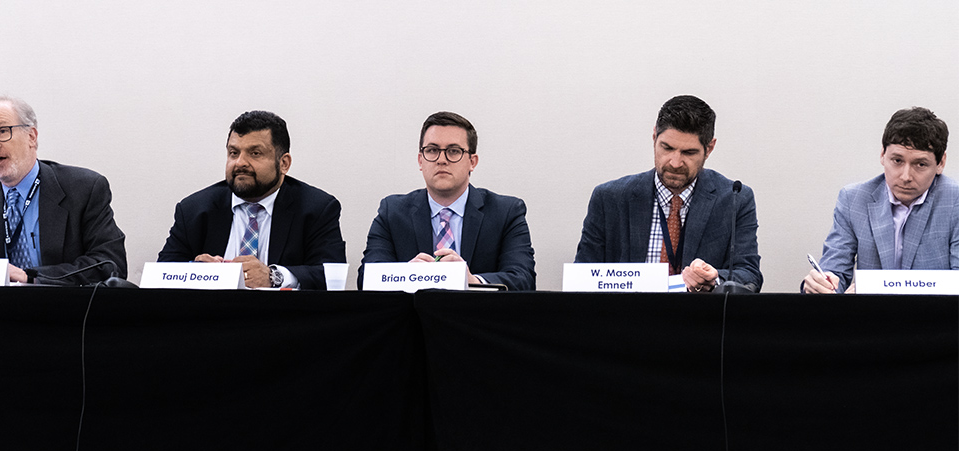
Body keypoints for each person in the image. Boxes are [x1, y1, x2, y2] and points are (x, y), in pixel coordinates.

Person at [575, 95, 762, 292]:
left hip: (700, 312)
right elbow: (582, 278)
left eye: (689, 153)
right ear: (654, 137)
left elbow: (749, 274)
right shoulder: (609, 198)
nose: (675, 162)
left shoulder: (735, 198)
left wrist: (714, 279)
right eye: (667, 148)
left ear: (709, 149)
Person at [158, 110, 346, 289]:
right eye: (234, 153)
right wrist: (195, 271)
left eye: (255, 153)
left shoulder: (317, 209)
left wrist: (274, 277)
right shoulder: (193, 210)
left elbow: (331, 277)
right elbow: (160, 277)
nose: (240, 163)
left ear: (284, 163)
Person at [359, 111, 535, 290]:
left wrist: (472, 281)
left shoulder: (506, 212)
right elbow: (366, 278)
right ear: (420, 160)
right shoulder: (392, 212)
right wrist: (405, 276)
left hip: (477, 308)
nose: (441, 160)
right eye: (432, 150)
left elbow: (523, 278)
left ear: (472, 162)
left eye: (453, 151)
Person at [0, 96, 126, 285]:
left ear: (31, 137)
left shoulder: (84, 189)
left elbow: (111, 264)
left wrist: (31, 277)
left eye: (2, 131)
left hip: (62, 302)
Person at [803, 107, 956, 294]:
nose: (906, 176)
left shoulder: (955, 202)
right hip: (870, 313)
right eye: (897, 161)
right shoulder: (853, 199)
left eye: (921, 164)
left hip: (934, 313)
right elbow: (835, 270)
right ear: (883, 154)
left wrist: (876, 287)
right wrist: (822, 284)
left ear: (941, 163)